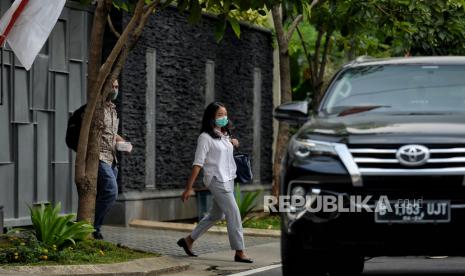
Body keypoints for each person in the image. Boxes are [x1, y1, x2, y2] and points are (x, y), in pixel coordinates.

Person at [177, 102, 253, 263]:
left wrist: (234, 143)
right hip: (216, 179)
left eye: (225, 114)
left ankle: (188, 240)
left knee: (216, 214)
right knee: (234, 213)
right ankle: (240, 252)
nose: (223, 117)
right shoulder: (205, 138)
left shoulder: (224, 135)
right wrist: (188, 188)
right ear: (211, 117)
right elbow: (198, 163)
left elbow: (226, 152)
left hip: (229, 179)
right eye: (219, 115)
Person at [93, 79, 132, 240]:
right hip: (99, 156)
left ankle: (95, 228)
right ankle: (93, 227)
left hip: (112, 158)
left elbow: (111, 134)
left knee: (105, 194)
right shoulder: (98, 108)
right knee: (111, 191)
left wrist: (122, 142)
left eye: (117, 86)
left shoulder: (113, 110)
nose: (115, 90)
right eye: (112, 86)